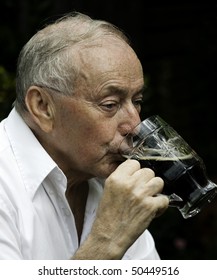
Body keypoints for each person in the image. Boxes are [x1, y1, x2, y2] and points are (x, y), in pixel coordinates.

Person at [0, 11, 169, 260]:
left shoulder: (107, 177)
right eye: (110, 104)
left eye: (138, 101)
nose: (135, 125)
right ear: (43, 107)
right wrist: (107, 242)